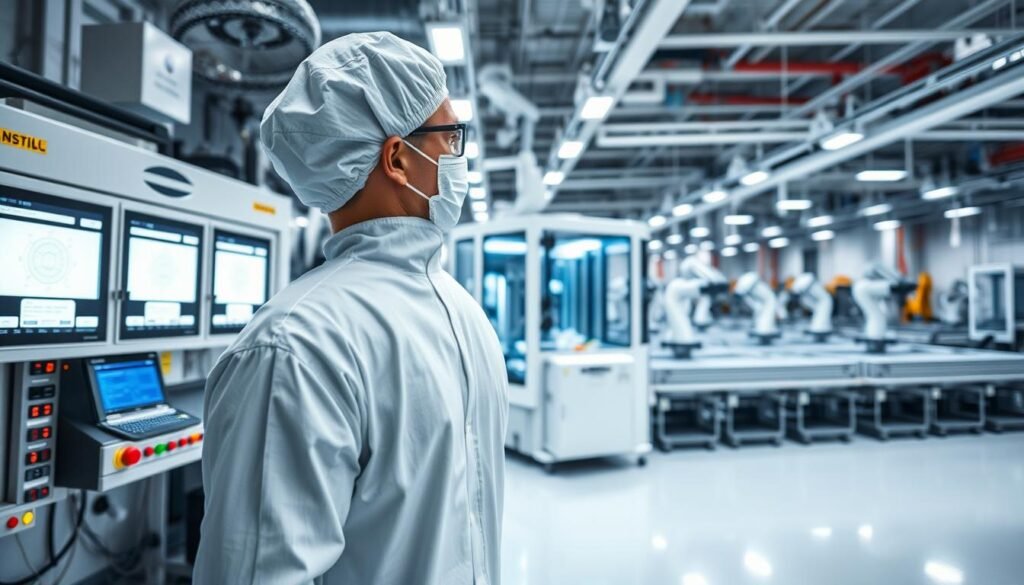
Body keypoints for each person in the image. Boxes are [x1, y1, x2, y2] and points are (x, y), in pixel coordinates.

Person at [193, 32, 508, 585]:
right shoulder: (297, 347)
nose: (458, 157)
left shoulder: (460, 310)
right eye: (449, 138)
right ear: (397, 159)